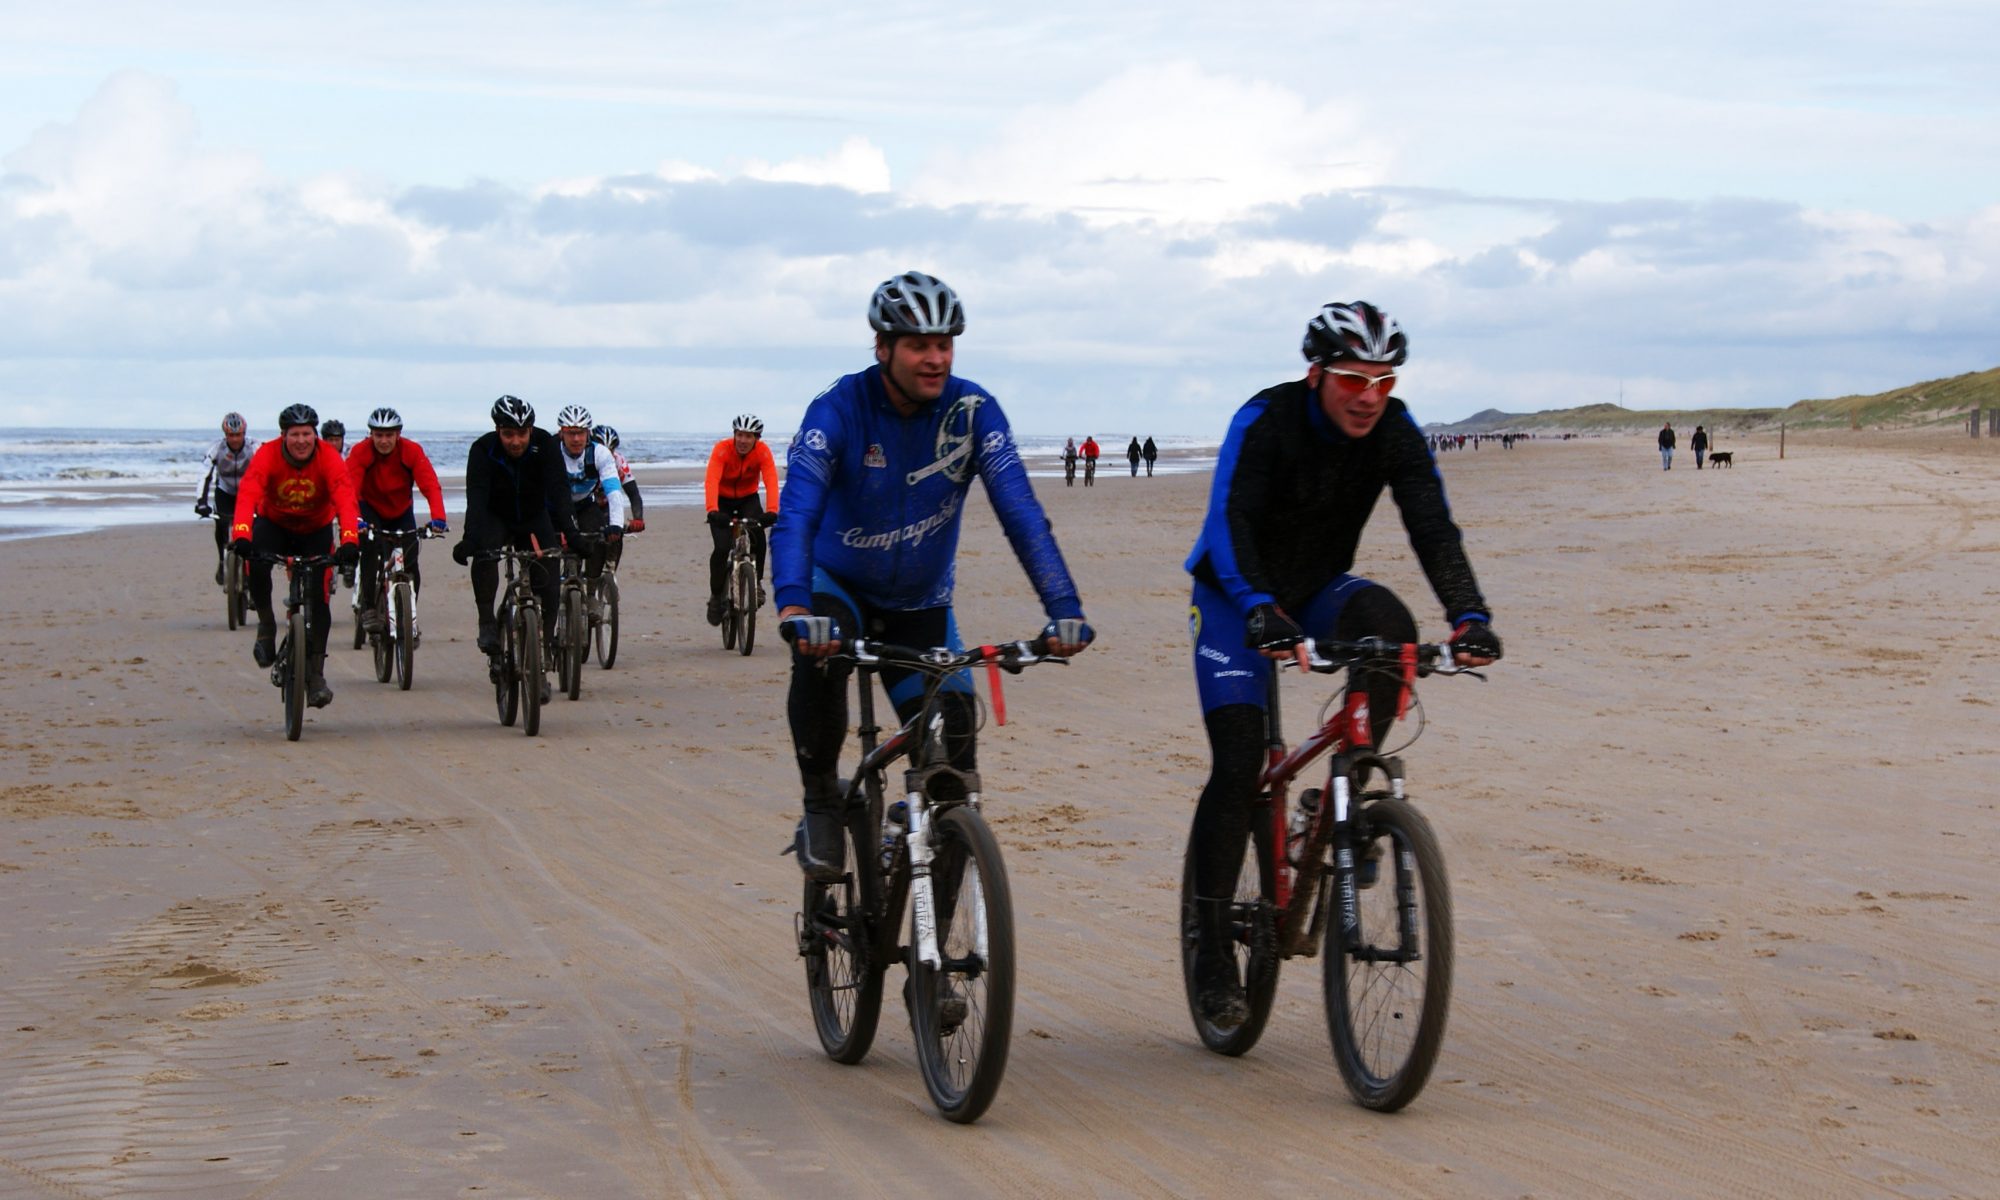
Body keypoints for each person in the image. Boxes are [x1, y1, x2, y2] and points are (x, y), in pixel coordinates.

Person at [1182, 301, 1500, 1029]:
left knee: (1392, 631)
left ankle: (1345, 790)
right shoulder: (1266, 418)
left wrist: (1470, 614)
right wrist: (1259, 604)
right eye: (1355, 377)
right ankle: (1209, 953)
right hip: (1237, 597)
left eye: (1384, 381)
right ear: (1316, 372)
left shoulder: (1393, 428)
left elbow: (1431, 523)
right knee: (1237, 763)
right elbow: (1227, 522)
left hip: (1319, 590)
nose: (1369, 395)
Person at [774, 271, 1094, 880]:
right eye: (919, 345)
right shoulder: (837, 409)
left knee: (954, 761)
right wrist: (792, 605)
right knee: (817, 657)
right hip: (835, 590)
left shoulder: (973, 411)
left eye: (945, 343)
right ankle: (819, 797)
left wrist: (1064, 608)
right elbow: (797, 514)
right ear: (882, 347)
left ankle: (938, 961)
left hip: (921, 603)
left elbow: (1020, 512)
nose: (935, 358)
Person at [230, 404, 362, 708]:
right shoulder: (267, 454)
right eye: (295, 435)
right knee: (257, 565)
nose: (301, 440)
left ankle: (316, 674)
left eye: (307, 434)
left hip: (315, 530)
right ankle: (266, 625)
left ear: (315, 435)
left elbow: (344, 497)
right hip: (274, 524)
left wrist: (350, 540)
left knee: (320, 598)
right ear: (283, 436)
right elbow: (249, 491)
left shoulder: (329, 458)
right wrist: (241, 534)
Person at [450, 396, 579, 701]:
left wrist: (572, 533)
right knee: (485, 553)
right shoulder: (483, 450)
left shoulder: (545, 445)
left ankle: (542, 655)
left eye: (522, 433)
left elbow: (559, 490)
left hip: (534, 519)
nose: (516, 441)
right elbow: (477, 498)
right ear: (498, 430)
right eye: (509, 434)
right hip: (497, 517)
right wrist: (470, 538)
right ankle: (486, 622)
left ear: (531, 430)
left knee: (548, 577)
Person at [345, 407, 448, 634]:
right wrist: (355, 519)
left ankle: (408, 616)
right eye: (378, 435)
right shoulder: (360, 452)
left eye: (389, 435)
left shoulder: (411, 451)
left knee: (411, 564)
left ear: (398, 434)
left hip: (401, 510)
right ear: (371, 434)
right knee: (370, 550)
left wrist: (438, 517)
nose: (384, 441)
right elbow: (349, 489)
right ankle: (370, 608)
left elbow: (430, 485)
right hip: (369, 509)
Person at [703, 413, 780, 625]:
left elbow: (771, 480)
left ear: (757, 438)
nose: (743, 441)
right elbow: (712, 480)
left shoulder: (763, 452)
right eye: (740, 435)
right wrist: (712, 510)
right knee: (721, 548)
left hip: (748, 499)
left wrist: (772, 511)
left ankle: (756, 583)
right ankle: (716, 596)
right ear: (734, 435)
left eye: (748, 436)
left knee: (758, 535)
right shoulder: (722, 449)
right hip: (722, 501)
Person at [554, 405, 628, 586]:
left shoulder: (599, 453)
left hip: (584, 504)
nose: (576, 438)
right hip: (555, 507)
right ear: (561, 433)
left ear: (588, 433)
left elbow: (613, 490)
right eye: (571, 433)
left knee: (599, 540)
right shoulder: (551, 451)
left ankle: (592, 588)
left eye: (581, 432)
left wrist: (616, 525)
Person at [194, 412, 258, 586]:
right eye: (231, 435)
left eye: (238, 435)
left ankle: (252, 567)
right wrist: (201, 502)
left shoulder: (254, 447)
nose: (235, 439)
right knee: (221, 523)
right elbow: (204, 475)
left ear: (244, 434)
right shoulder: (217, 448)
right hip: (225, 492)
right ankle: (222, 561)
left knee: (256, 528)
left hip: (249, 493)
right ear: (225, 434)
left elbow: (267, 473)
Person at [592, 424, 645, 569]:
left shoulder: (619, 461)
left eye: (611, 450)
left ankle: (610, 570)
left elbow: (633, 494)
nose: (606, 453)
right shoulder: (585, 458)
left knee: (616, 534)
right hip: (586, 505)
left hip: (607, 505)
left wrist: (638, 518)